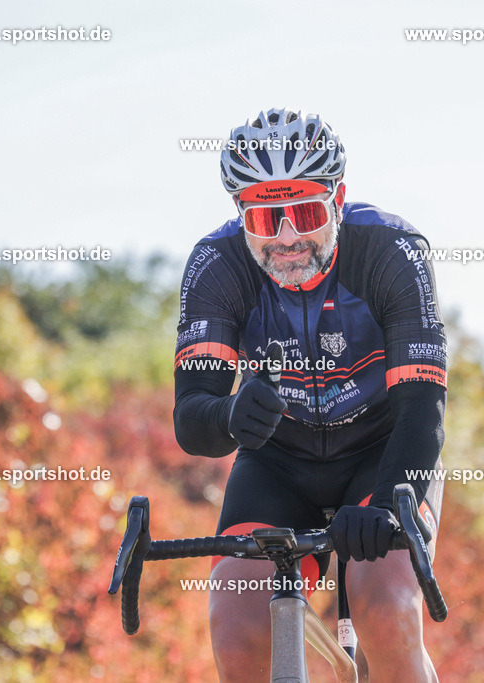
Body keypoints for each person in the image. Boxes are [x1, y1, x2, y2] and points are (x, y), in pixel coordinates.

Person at [173, 107, 447, 681]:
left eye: (303, 211)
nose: (289, 236)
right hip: (278, 464)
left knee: (385, 605)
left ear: (338, 199)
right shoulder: (216, 264)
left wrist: (385, 506)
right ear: (239, 213)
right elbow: (191, 418)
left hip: (383, 452)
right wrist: (229, 415)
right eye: (266, 218)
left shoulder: (392, 249)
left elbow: (422, 411)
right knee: (236, 623)